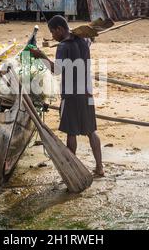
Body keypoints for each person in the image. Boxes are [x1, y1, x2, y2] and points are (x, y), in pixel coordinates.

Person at [30, 15, 104, 177]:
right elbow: (91, 39)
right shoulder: (84, 41)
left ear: (60, 29)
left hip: (71, 95)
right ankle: (99, 168)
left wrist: (41, 56)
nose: (52, 36)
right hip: (87, 92)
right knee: (91, 131)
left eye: (52, 32)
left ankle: (73, 169)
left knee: (71, 132)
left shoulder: (63, 47)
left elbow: (56, 70)